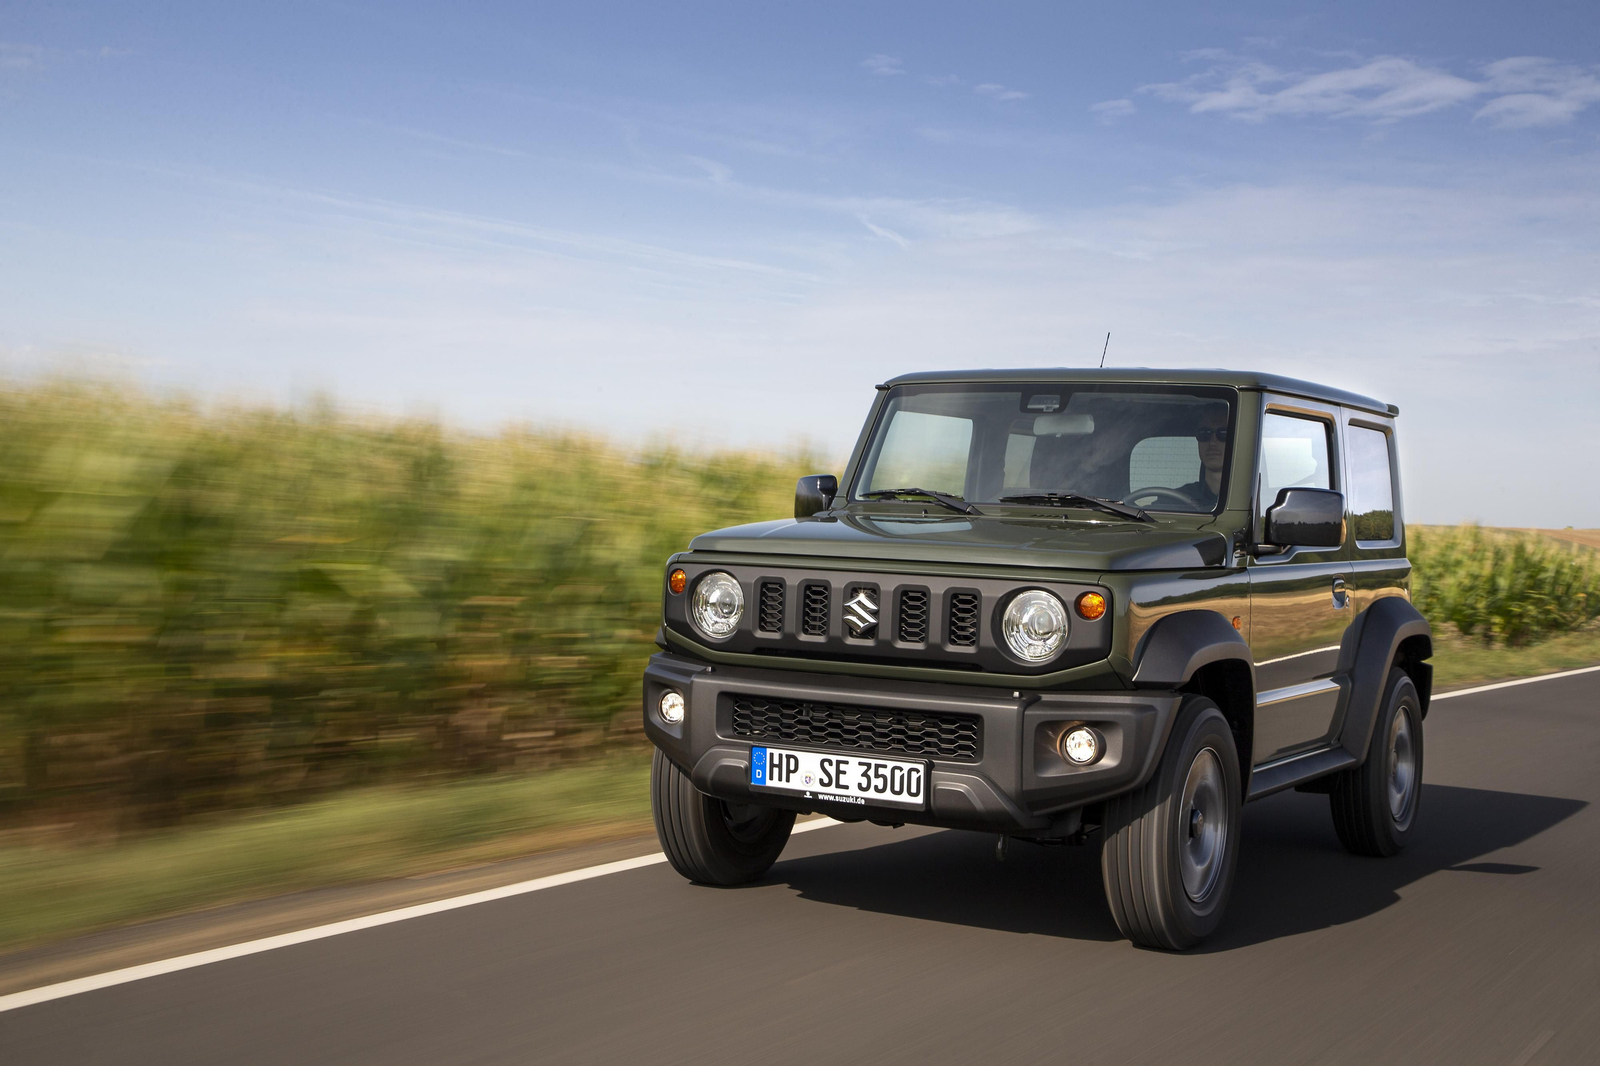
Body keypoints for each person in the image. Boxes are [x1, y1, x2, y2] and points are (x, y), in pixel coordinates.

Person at [1175, 404, 1229, 509]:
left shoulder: (1248, 499)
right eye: (1204, 433)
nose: (1212, 442)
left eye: (1223, 434)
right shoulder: (1175, 499)